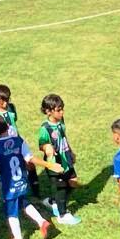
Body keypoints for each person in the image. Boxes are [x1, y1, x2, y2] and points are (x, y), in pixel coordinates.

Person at [0, 116, 62, 239]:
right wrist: (49, 165)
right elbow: (30, 159)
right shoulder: (18, 141)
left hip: (9, 187)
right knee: (23, 202)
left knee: (11, 213)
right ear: (8, 127)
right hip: (21, 182)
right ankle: (42, 222)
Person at [0, 84, 40, 201]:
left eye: (7, 100)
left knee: (30, 165)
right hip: (4, 149)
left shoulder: (12, 108)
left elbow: (14, 124)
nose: (5, 103)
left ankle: (36, 194)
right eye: (2, 100)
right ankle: (0, 192)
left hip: (17, 144)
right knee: (3, 171)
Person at [38, 93, 81, 225]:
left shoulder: (61, 122)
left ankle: (53, 201)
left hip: (66, 158)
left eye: (62, 108)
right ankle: (62, 215)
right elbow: (41, 144)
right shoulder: (45, 128)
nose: (62, 112)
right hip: (55, 164)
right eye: (58, 110)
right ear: (48, 111)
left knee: (73, 182)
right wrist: (47, 147)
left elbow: (64, 137)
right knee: (61, 188)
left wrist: (71, 151)